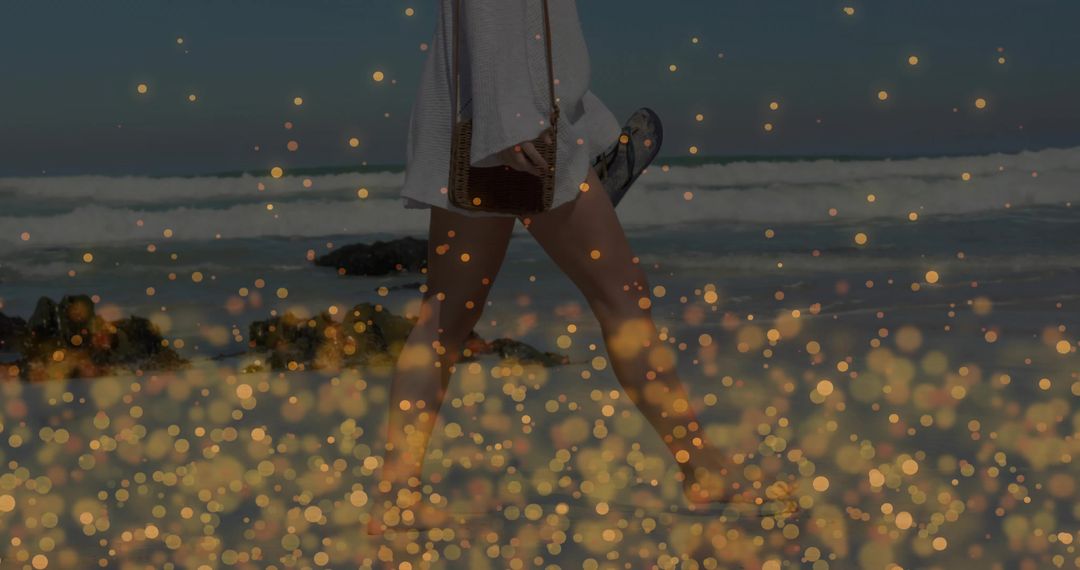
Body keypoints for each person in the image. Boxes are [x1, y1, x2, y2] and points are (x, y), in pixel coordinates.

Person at [369, 0, 731, 534]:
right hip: (521, 140)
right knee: (624, 300)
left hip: (479, 132)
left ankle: (397, 495)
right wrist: (510, 121)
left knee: (442, 321)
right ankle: (702, 469)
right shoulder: (513, 121)